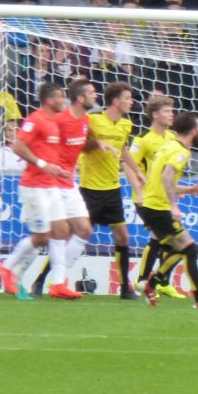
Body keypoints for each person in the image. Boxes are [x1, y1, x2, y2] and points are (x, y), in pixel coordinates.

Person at [0, 83, 74, 300]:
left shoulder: (56, 123)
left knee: (62, 230)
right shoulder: (35, 119)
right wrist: (42, 164)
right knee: (43, 236)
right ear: (50, 100)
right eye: (60, 96)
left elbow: (50, 154)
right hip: (34, 187)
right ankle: (7, 266)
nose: (63, 100)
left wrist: (59, 169)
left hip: (51, 185)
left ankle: (58, 283)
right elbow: (18, 146)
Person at [138, 112, 198, 309]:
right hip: (158, 208)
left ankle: (150, 285)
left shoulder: (169, 146)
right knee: (191, 249)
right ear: (193, 130)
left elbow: (164, 180)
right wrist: (173, 206)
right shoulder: (182, 152)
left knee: (178, 249)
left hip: (149, 207)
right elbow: (167, 177)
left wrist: (189, 190)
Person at [30, 79, 96, 299]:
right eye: (92, 93)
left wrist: (99, 144)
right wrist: (47, 166)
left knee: (85, 230)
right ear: (80, 98)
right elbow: (41, 143)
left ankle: (55, 280)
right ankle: (52, 281)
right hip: (53, 182)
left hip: (69, 181)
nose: (95, 96)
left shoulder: (86, 120)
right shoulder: (59, 119)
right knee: (60, 232)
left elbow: (81, 143)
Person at [76, 82, 143, 299]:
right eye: (127, 98)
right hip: (89, 189)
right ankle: (43, 280)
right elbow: (80, 144)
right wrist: (98, 143)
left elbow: (123, 149)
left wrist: (137, 171)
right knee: (75, 235)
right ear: (116, 101)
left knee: (123, 236)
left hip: (112, 188)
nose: (131, 102)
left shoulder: (125, 124)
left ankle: (125, 288)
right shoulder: (93, 120)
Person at [130, 95, 181, 298]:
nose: (171, 114)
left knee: (166, 239)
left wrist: (176, 192)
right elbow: (129, 166)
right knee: (161, 237)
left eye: (172, 110)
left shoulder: (172, 138)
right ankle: (143, 280)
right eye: (167, 111)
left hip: (163, 198)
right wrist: (139, 190)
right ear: (155, 114)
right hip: (146, 199)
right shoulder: (142, 139)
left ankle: (160, 282)